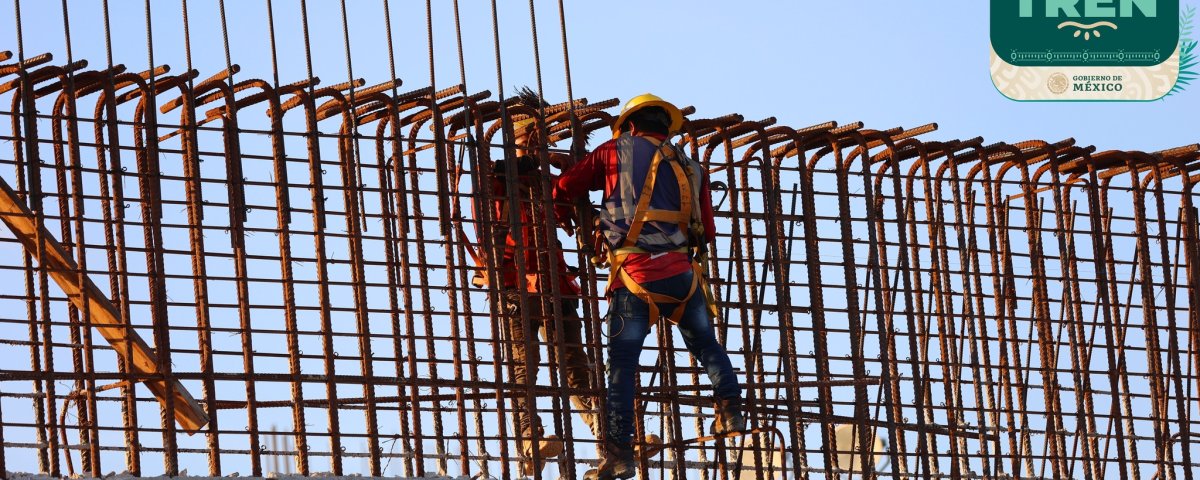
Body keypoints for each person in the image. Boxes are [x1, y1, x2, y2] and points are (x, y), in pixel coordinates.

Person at [553, 94, 745, 480]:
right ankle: (730, 412)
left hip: (634, 275)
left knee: (622, 366)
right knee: (707, 345)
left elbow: (566, 187)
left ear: (630, 125)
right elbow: (706, 230)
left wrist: (573, 208)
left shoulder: (614, 150)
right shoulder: (692, 167)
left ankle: (620, 453)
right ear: (665, 126)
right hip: (683, 278)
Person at [479, 94, 599, 475]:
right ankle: (530, 438)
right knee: (523, 367)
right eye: (533, 134)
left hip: (556, 283)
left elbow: (571, 209)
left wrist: (576, 182)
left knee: (575, 366)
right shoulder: (496, 176)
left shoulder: (548, 179)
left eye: (542, 136)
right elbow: (496, 179)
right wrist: (544, 163)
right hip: (515, 284)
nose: (540, 143)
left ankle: (605, 434)